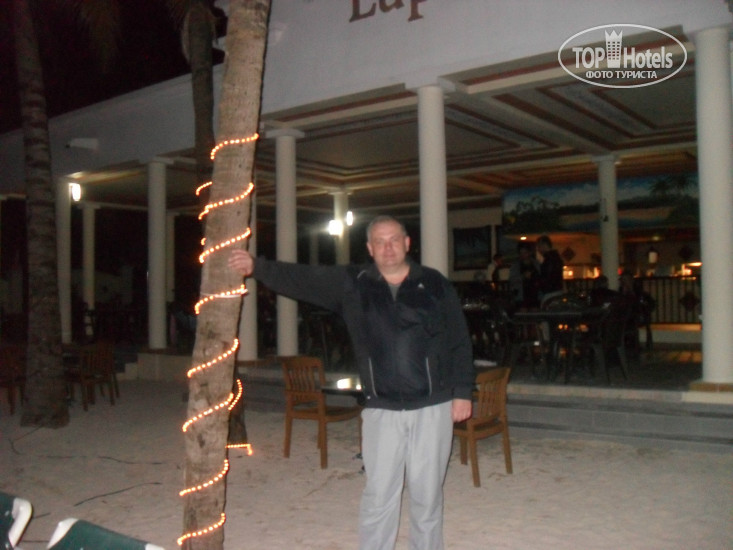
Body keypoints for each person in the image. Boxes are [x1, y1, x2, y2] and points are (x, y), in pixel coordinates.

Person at [229, 215, 475, 550]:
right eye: (380, 242)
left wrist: (462, 392)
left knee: (427, 496)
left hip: (432, 407)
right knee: (379, 495)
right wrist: (258, 267)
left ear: (407, 243)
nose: (388, 247)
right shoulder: (354, 284)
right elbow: (303, 278)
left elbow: (459, 340)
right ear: (370, 249)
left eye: (394, 240)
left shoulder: (433, 283)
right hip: (381, 409)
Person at [508, 241, 541, 310]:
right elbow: (512, 280)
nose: (523, 255)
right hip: (522, 296)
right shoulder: (516, 266)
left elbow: (541, 277)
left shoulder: (536, 264)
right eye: (521, 253)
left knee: (535, 312)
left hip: (535, 295)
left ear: (529, 252)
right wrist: (523, 277)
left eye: (525, 252)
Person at [536, 235, 564, 303]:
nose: (538, 249)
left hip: (550, 292)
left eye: (539, 246)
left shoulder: (548, 259)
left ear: (544, 245)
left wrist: (538, 281)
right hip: (557, 290)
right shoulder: (556, 258)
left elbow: (547, 276)